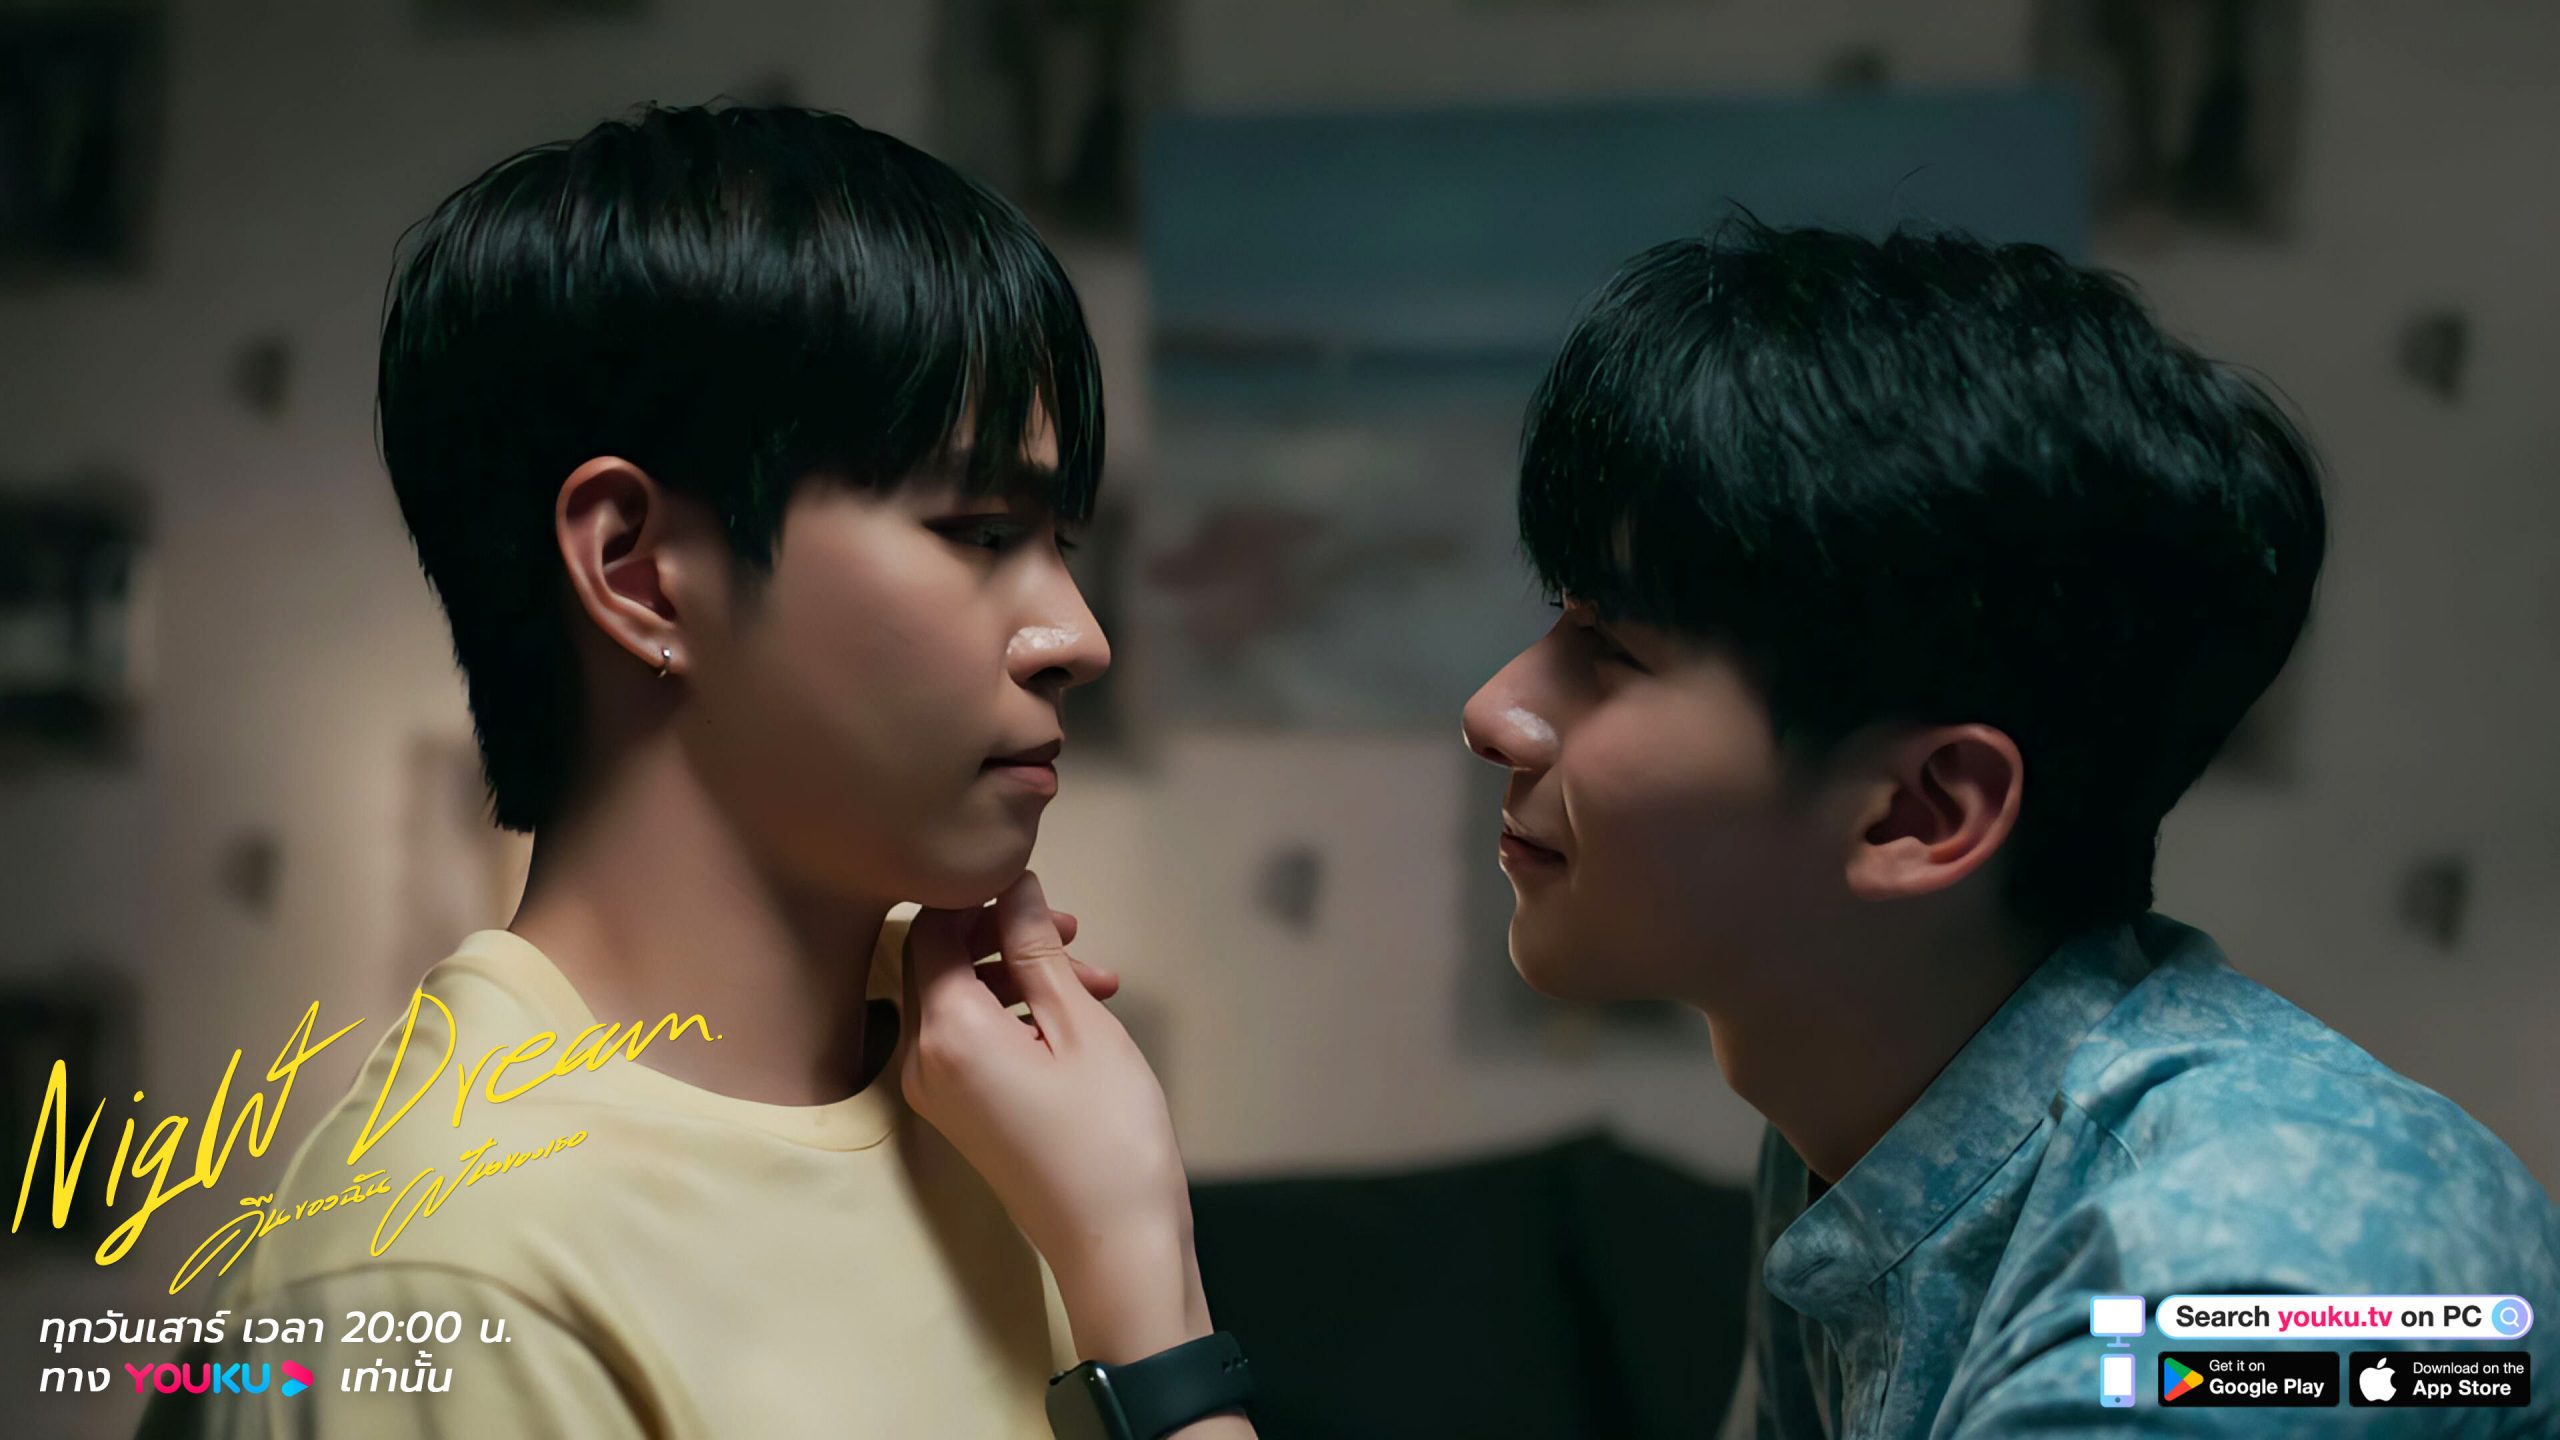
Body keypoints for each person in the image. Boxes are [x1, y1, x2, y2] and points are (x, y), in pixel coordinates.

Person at [900, 220, 2560, 1437]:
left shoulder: (2263, 1285)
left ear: (1921, 811)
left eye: (1611, 656)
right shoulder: (1868, 1130)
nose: (1496, 709)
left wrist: (1140, 1284)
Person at [139, 102, 1123, 1437]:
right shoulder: (451, 1272)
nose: (1080, 637)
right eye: (982, 530)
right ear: (640, 571)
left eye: (1063, 545)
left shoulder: (1004, 1103)